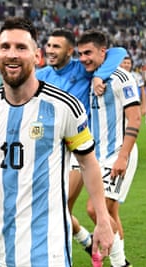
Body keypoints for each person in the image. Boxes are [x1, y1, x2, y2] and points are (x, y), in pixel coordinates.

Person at [0, 17, 114, 267]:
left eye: (21, 48)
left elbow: (88, 164)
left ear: (37, 56)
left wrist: (103, 220)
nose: (12, 54)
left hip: (49, 252)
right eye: (5, 47)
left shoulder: (64, 106)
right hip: (0, 250)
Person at [35, 28, 127, 258]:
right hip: (52, 152)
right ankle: (86, 240)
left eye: (57, 46)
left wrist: (98, 75)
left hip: (79, 150)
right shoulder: (41, 76)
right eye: (48, 45)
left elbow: (118, 53)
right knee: (56, 209)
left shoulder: (82, 69)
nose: (50, 50)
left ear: (70, 51)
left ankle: (113, 258)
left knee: (75, 208)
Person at [77, 29, 141, 267]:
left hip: (118, 154)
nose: (83, 58)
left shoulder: (121, 78)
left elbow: (135, 119)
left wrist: (122, 157)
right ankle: (120, 263)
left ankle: (120, 263)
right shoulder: (91, 75)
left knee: (95, 209)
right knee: (110, 213)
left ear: (103, 52)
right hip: (97, 156)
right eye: (80, 53)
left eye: (88, 53)